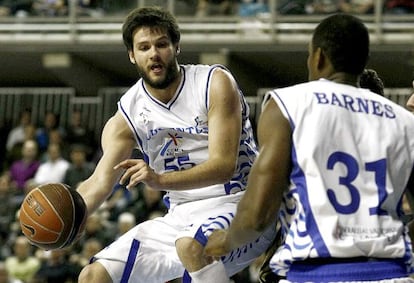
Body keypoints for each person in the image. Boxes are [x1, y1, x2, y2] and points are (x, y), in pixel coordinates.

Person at [205, 13, 414, 282]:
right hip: (391, 273)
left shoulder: (288, 105)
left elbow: (259, 213)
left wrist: (227, 240)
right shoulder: (404, 120)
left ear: (318, 58)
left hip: (316, 271)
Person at [74, 6, 276, 283]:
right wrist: (71, 216)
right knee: (93, 276)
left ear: (176, 47)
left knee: (190, 247)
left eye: (161, 45)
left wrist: (159, 179)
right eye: (144, 47)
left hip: (242, 205)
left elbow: (223, 166)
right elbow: (99, 182)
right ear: (132, 56)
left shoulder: (214, 83)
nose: (154, 54)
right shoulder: (127, 114)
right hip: (181, 217)